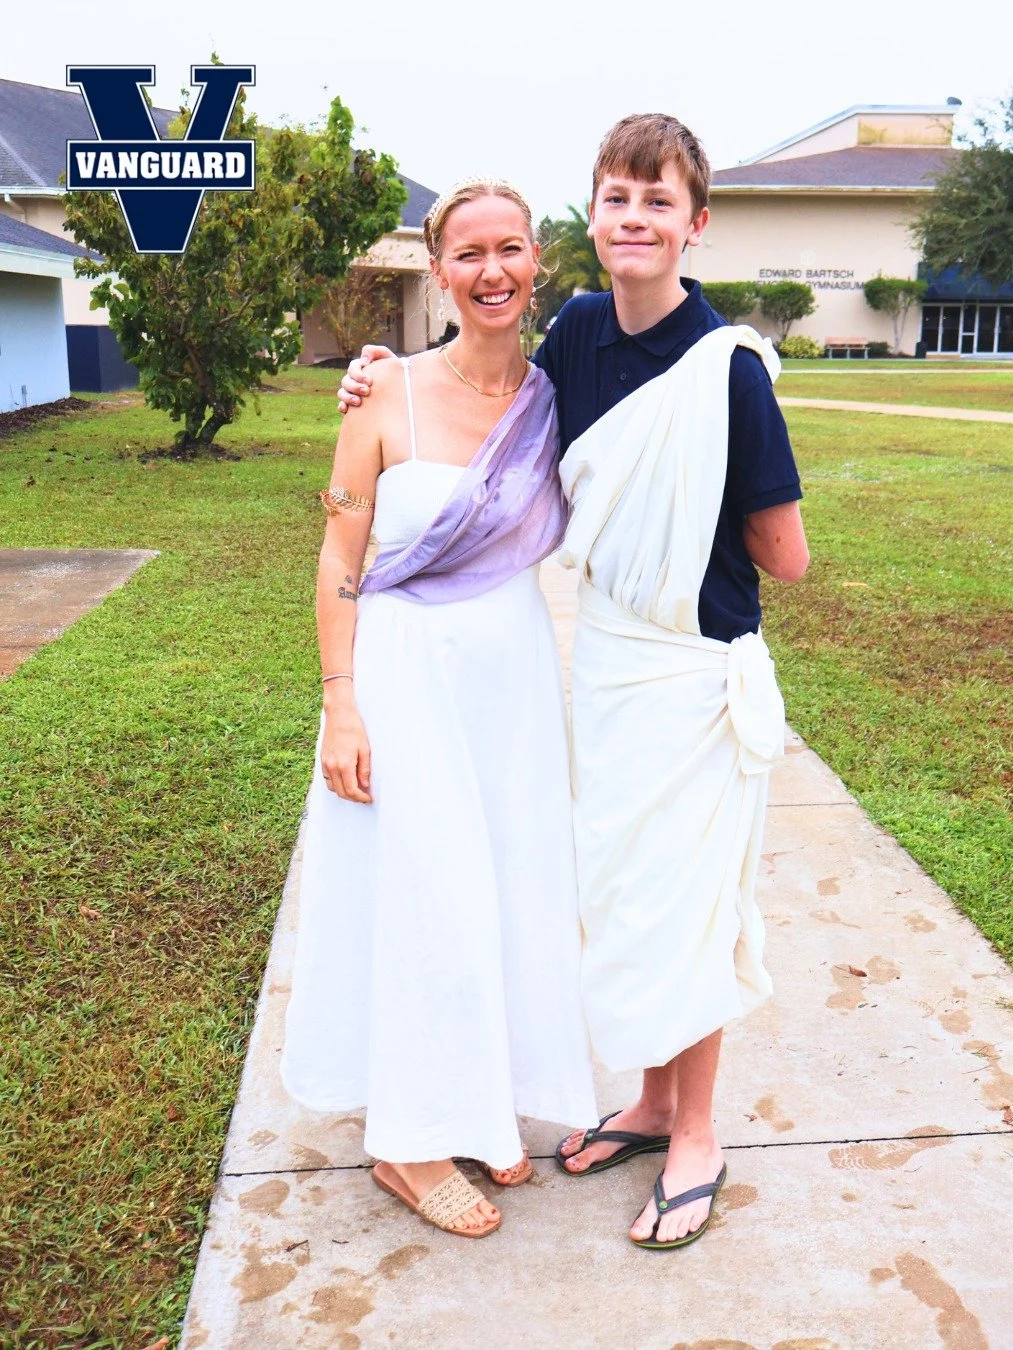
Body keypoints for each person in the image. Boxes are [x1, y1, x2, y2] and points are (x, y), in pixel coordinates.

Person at [338, 114, 809, 1250]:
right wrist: (379, 372)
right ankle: (648, 1104)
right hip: (602, 661)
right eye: (616, 200)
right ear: (588, 221)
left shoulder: (729, 369)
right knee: (625, 896)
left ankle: (694, 1131)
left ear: (695, 224)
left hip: (691, 666)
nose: (635, 220)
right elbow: (499, 416)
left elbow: (786, 553)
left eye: (659, 203)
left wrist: (678, 518)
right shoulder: (583, 336)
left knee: (690, 902)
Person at [281, 178, 597, 1241]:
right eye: (469, 253)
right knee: (424, 891)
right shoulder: (384, 393)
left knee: (503, 884)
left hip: (509, 678)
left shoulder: (559, 399)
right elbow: (339, 553)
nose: (493, 270)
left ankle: (472, 1098)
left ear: (538, 261)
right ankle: (407, 1143)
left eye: (511, 248)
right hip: (404, 674)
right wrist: (341, 705)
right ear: (437, 266)